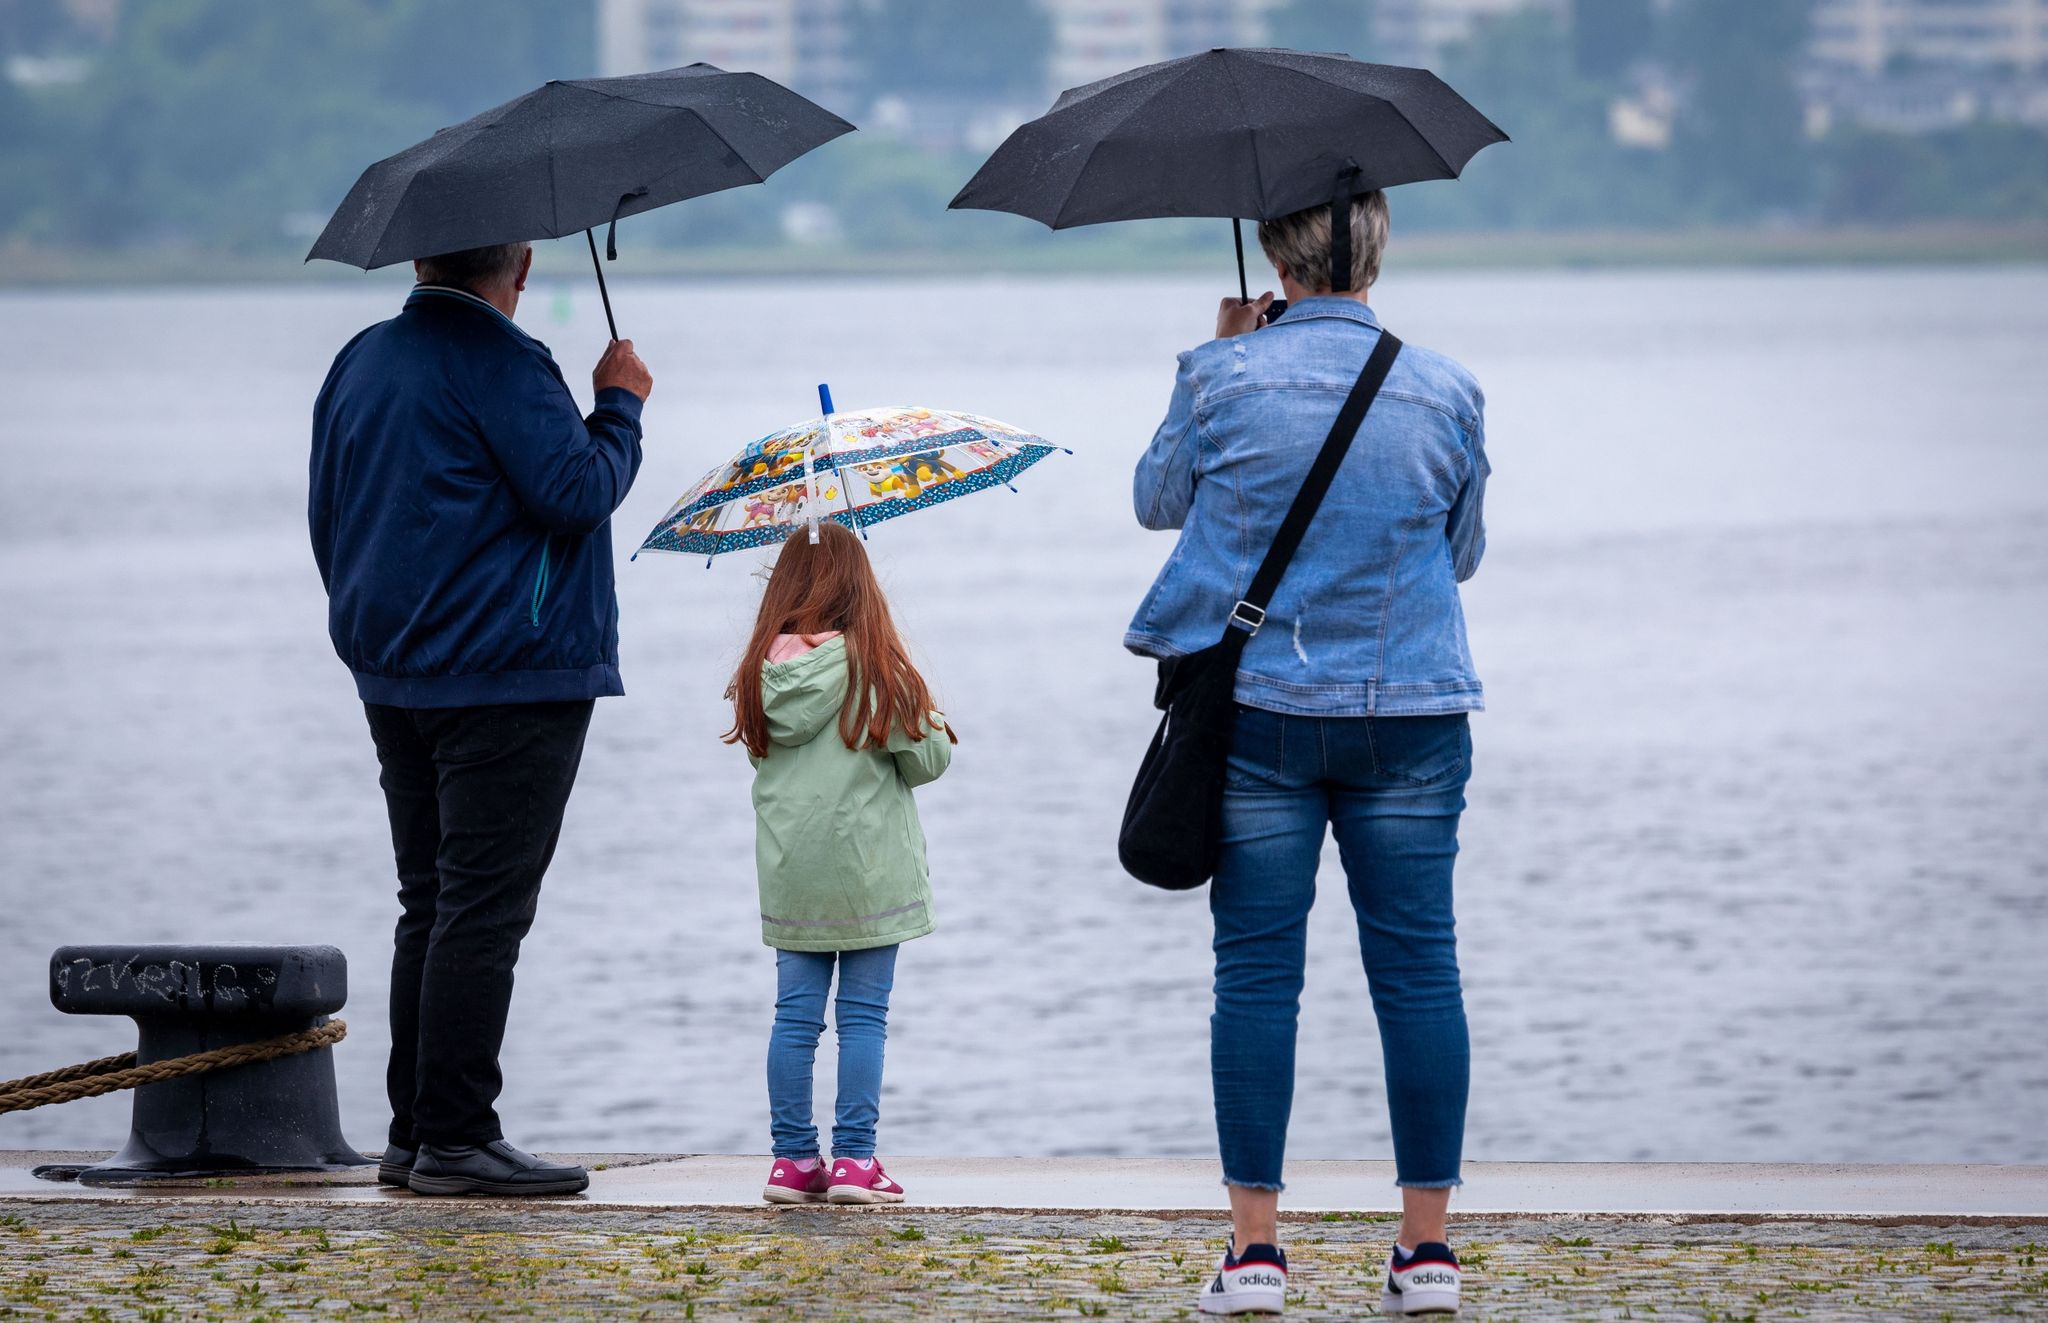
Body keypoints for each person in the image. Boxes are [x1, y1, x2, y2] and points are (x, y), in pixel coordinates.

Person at [1125, 191, 1489, 1317]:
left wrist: (1227, 353)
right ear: (1376, 253)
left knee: (1256, 977)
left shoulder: (1217, 373)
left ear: (1278, 255)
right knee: (1419, 974)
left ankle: (1256, 1257)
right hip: (1413, 713)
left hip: (1265, 715)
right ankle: (1424, 1254)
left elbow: (1155, 501)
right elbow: (1461, 551)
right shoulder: (1445, 388)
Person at [309, 240, 653, 1197]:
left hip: (395, 673)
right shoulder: (507, 360)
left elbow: (327, 517)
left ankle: (415, 1136)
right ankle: (459, 1135)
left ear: (418, 254)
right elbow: (577, 492)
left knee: (430, 899)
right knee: (482, 909)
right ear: (526, 263)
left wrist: (372, 634)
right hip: (512, 674)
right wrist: (619, 405)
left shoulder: (360, 359)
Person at [723, 521, 954, 1208]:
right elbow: (930, 759)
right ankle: (855, 1159)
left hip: (794, 873)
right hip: (868, 875)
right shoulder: (875, 669)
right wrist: (918, 699)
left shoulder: (759, 674)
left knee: (794, 1017)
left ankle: (792, 1161)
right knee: (862, 1017)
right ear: (861, 590)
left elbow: (763, 755)